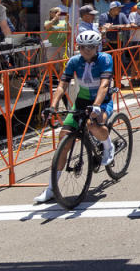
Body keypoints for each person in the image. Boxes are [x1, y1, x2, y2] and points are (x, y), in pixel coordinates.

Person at [35, 31, 115, 203]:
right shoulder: (74, 61)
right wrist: (53, 105)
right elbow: (63, 84)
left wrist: (96, 105)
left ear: (97, 47)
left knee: (93, 125)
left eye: (91, 47)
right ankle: (51, 188)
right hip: (81, 102)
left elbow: (105, 84)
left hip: (102, 100)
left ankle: (108, 146)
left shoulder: (105, 59)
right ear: (78, 47)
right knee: (64, 138)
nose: (87, 50)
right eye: (83, 47)